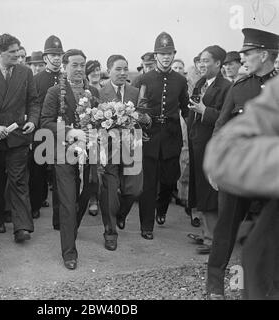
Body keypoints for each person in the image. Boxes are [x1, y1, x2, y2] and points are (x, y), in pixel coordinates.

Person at [204, 27, 279, 299]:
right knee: (226, 228)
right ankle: (214, 285)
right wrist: (214, 165)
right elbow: (221, 125)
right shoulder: (239, 87)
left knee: (267, 236)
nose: (242, 58)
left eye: (248, 53)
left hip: (270, 177)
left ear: (264, 54)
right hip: (237, 173)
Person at [41, 49, 99, 270]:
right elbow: (45, 122)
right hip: (64, 153)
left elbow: (99, 118)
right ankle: (69, 252)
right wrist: (69, 132)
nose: (79, 69)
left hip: (88, 153)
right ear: (65, 67)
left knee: (87, 191)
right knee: (67, 200)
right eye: (74, 65)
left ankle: (71, 229)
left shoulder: (92, 91)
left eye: (82, 65)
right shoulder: (55, 92)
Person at [0, 33, 39, 243]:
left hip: (18, 136)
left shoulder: (25, 73)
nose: (17, 55)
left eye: (18, 51)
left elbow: (33, 102)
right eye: (12, 52)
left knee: (18, 180)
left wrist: (33, 121)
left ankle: (22, 227)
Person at [137, 32, 189, 239]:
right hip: (149, 135)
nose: (166, 57)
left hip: (171, 135)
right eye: (162, 53)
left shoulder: (180, 80)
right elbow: (137, 108)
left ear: (174, 54)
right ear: (155, 55)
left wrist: (192, 130)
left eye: (169, 53)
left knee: (169, 179)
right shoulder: (144, 79)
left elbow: (185, 108)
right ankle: (146, 227)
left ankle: (162, 208)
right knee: (148, 184)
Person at [187, 45, 231, 254]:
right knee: (200, 190)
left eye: (206, 61)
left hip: (212, 145)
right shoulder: (200, 83)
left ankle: (213, 240)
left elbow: (227, 118)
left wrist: (205, 111)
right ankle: (206, 233)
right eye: (200, 61)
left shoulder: (227, 87)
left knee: (210, 191)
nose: (202, 65)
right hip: (197, 143)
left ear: (218, 63)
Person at [99, 54, 143, 250]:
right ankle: (110, 232)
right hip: (108, 149)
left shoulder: (135, 92)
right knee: (109, 192)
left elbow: (144, 113)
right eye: (118, 69)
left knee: (134, 189)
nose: (123, 72)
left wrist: (143, 117)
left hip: (132, 147)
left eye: (125, 69)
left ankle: (122, 214)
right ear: (109, 71)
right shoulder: (99, 93)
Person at [31, 35, 64, 222]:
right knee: (38, 170)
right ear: (45, 58)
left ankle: (60, 211)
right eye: (53, 54)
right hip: (42, 130)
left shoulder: (65, 77)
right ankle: (36, 203)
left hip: (61, 130)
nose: (57, 58)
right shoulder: (37, 80)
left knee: (61, 171)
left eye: (59, 54)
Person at [85, 59, 102, 216]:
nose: (95, 73)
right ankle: (92, 198)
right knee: (92, 169)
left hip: (106, 132)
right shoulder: (86, 90)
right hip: (89, 133)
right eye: (92, 71)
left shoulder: (105, 89)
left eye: (98, 70)